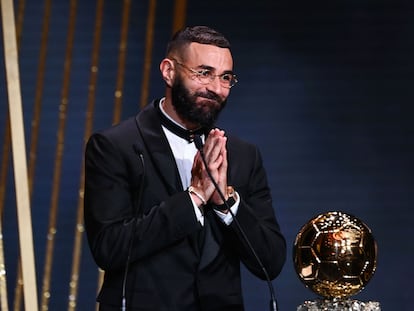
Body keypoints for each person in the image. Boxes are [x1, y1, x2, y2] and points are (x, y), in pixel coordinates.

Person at [84, 25, 286, 311]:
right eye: (203, 73)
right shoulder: (116, 146)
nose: (215, 88)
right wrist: (194, 198)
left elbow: (271, 261)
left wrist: (225, 203)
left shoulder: (242, 155)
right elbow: (109, 248)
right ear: (168, 71)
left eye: (225, 78)